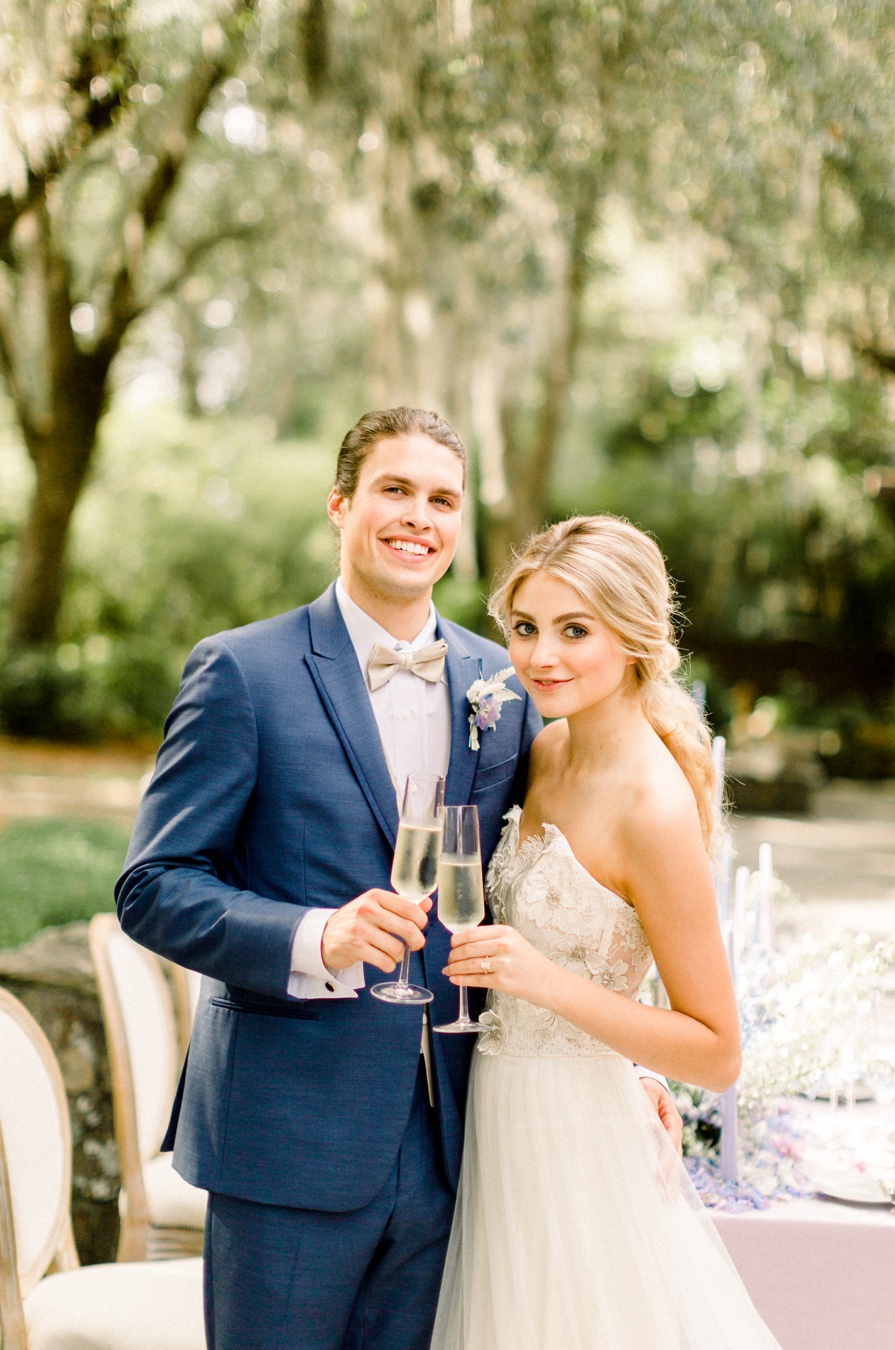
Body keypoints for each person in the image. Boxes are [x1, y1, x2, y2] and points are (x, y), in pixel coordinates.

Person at [115, 413, 679, 1350]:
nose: (419, 516)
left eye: (442, 499)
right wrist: (314, 938)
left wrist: (630, 1054)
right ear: (342, 504)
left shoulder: (506, 681)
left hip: (464, 1144)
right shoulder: (241, 673)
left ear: (458, 526)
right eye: (395, 490)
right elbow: (155, 885)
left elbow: (568, 879)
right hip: (290, 1139)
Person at [431, 515, 782, 1350]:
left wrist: (549, 985)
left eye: (574, 630)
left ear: (634, 638)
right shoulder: (546, 753)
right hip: (499, 1123)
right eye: (525, 629)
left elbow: (716, 1049)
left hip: (578, 1151)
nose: (539, 656)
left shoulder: (651, 807)